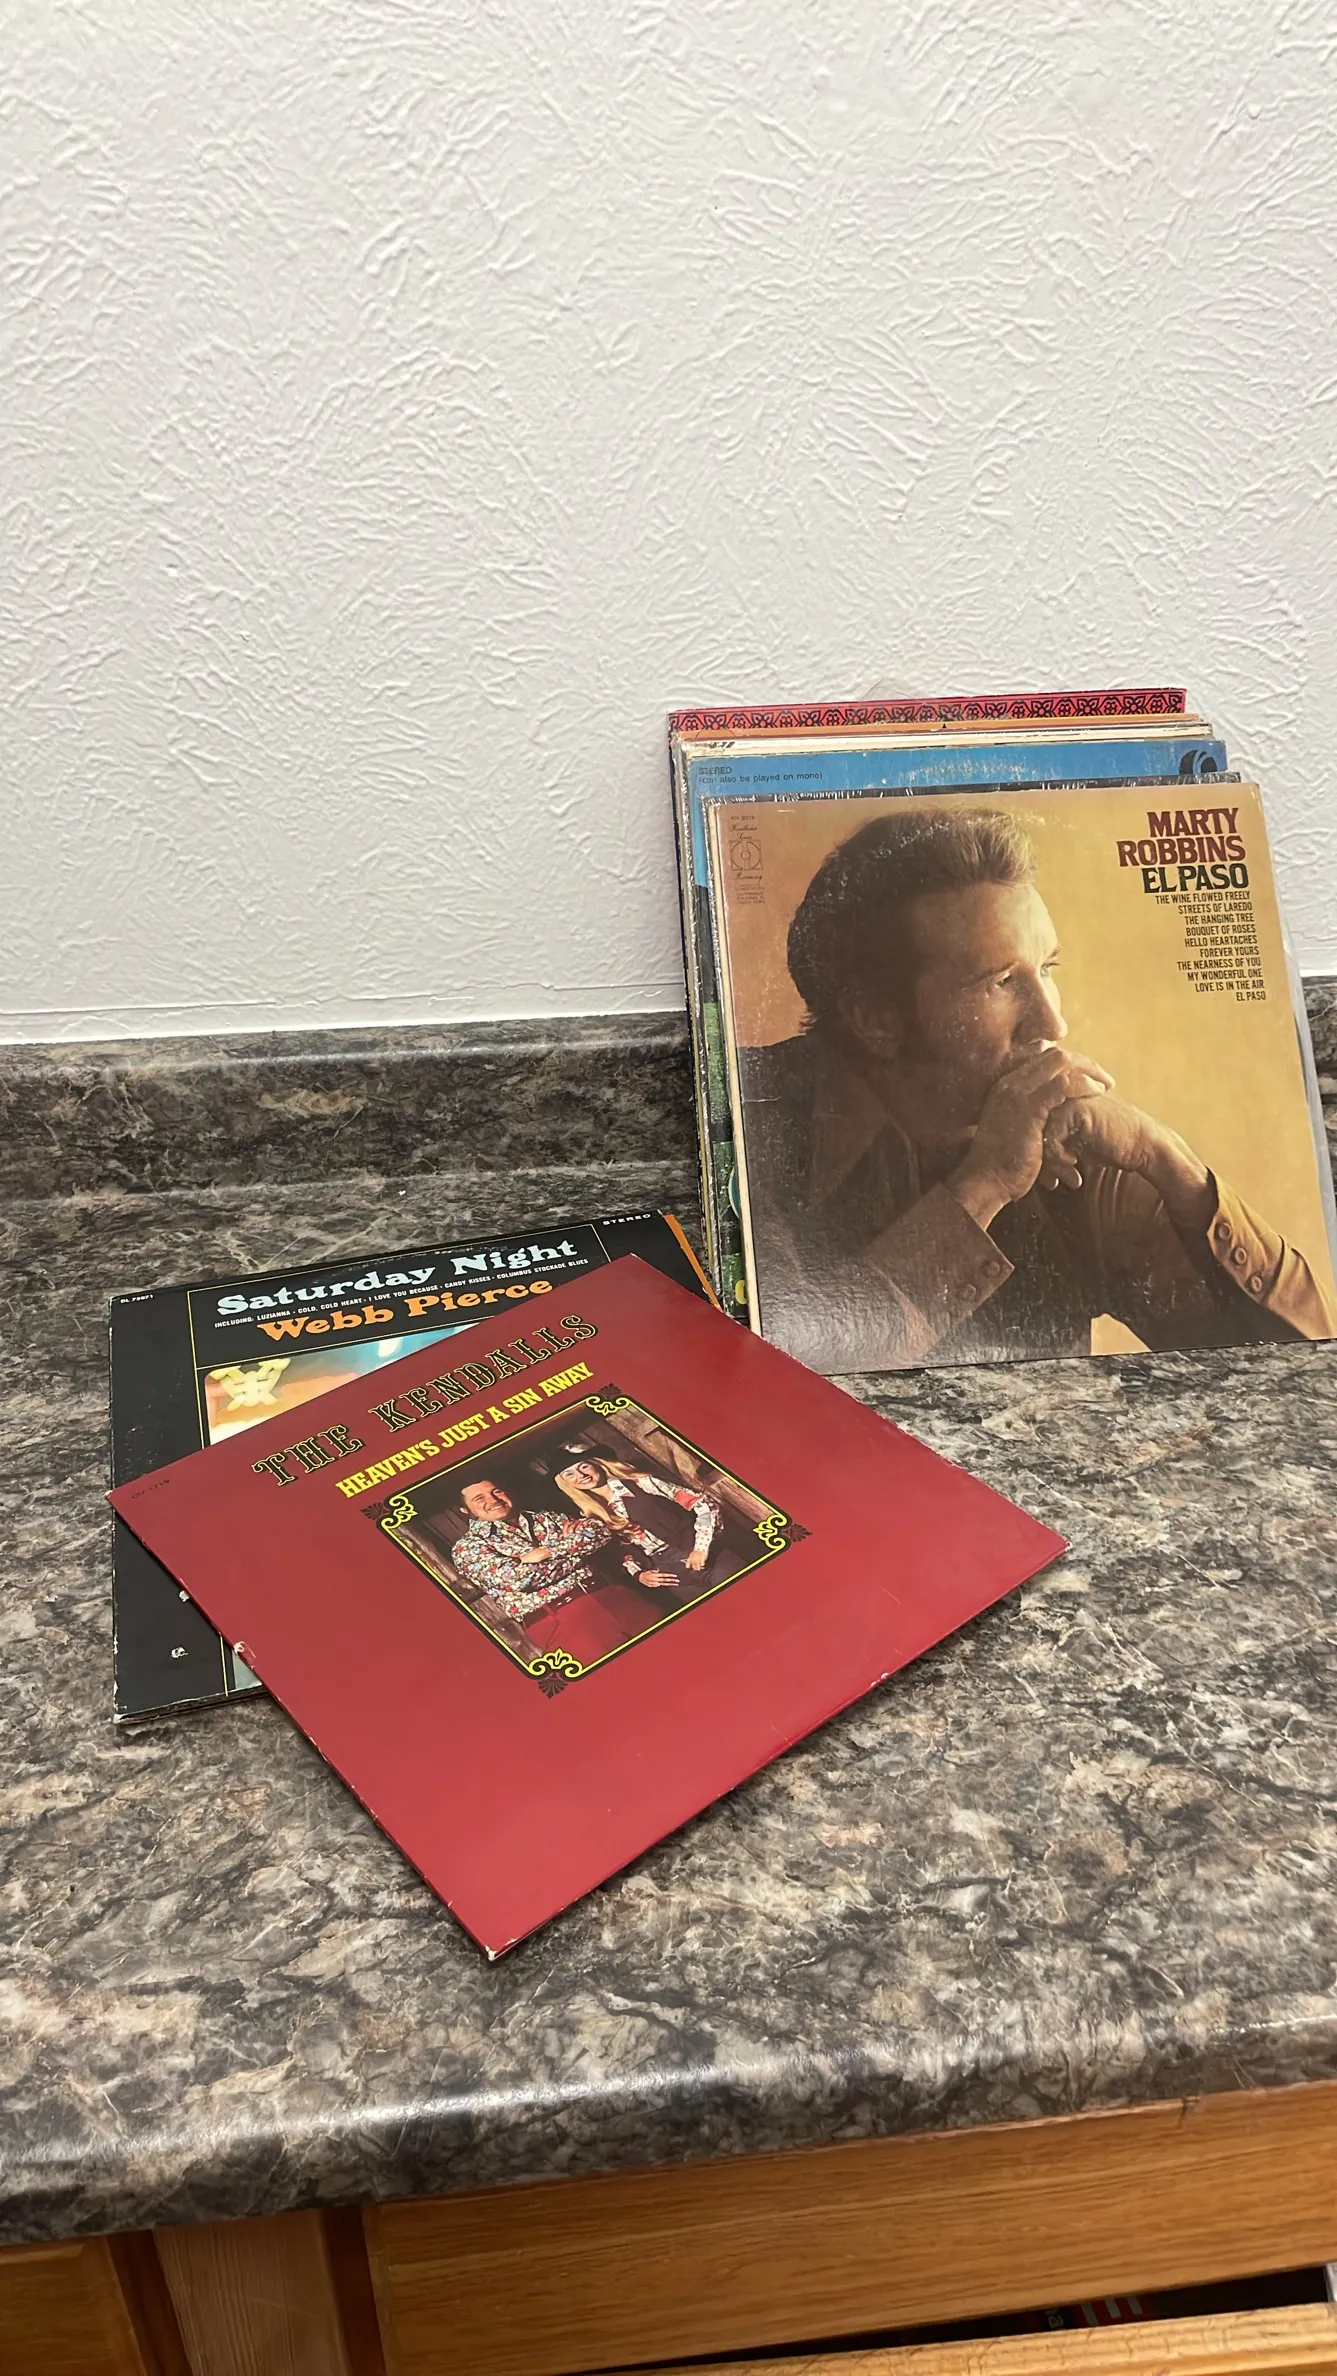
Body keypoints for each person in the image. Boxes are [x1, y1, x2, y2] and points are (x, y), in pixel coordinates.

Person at [737, 805, 1337, 1372]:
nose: (1053, 1023)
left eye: (1047, 969)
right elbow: (788, 1384)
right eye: (1000, 981)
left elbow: (1304, 1369)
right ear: (877, 1019)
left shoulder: (1064, 1140)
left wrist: (1169, 1160)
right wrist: (987, 1183)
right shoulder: (744, 1123)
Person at [449, 1477, 653, 1665]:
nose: (493, 1500)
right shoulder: (467, 1548)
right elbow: (519, 1580)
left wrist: (546, 1552)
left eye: (497, 1491)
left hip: (615, 1597)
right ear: (465, 1510)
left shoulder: (545, 1518)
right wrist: (576, 1548)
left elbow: (600, 1531)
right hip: (563, 1620)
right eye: (479, 1498)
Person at [553, 1453, 737, 1604]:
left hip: (708, 1555)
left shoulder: (640, 1482)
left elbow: (703, 1504)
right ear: (565, 1483)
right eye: (569, 1474)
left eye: (584, 1466)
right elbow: (619, 1552)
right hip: (672, 1574)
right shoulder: (590, 1515)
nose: (580, 1475)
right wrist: (639, 1574)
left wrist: (701, 1548)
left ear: (596, 1464)